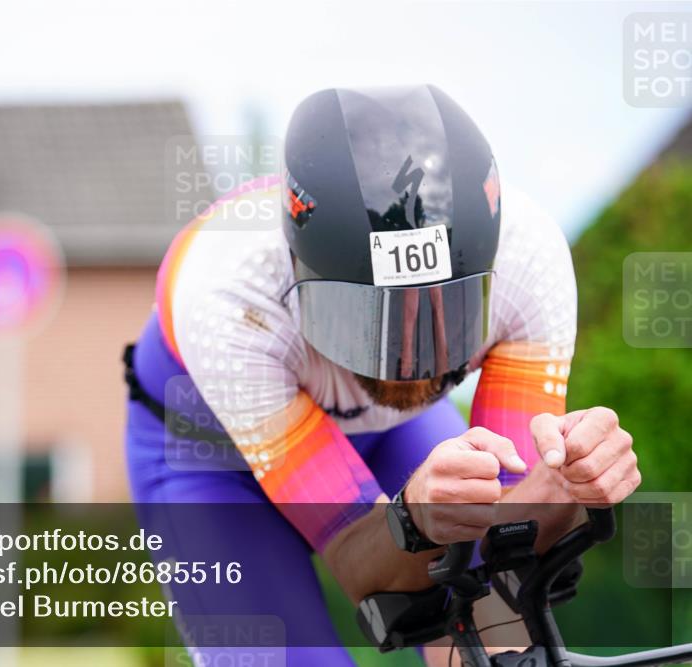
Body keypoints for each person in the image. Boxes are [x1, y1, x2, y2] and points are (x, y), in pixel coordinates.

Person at [123, 85, 641, 666]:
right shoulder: (232, 294)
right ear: (299, 267)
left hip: (393, 430)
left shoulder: (528, 261)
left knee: (502, 633)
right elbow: (361, 566)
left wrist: (567, 489)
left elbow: (507, 547)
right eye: (367, 319)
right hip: (209, 459)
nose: (408, 359)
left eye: (446, 311)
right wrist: (418, 517)